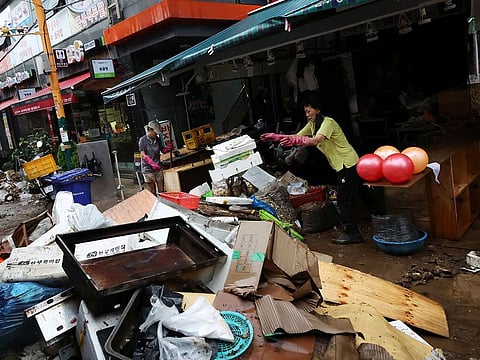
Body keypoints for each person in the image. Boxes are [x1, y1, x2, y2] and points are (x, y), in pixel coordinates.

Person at [261, 94, 380, 244]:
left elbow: (316, 140)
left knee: (343, 197)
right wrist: (276, 137)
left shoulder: (328, 123)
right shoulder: (312, 124)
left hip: (347, 162)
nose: (307, 115)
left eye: (309, 111)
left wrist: (296, 140)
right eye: (305, 112)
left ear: (317, 109)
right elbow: (297, 137)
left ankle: (351, 232)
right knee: (359, 188)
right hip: (343, 163)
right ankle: (379, 214)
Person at [138, 120, 173, 195]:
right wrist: (152, 163)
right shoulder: (143, 140)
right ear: (150, 130)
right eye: (155, 132)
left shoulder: (157, 139)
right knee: (152, 191)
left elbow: (162, 150)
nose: (156, 134)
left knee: (161, 191)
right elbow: (143, 155)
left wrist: (168, 148)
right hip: (147, 169)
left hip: (158, 167)